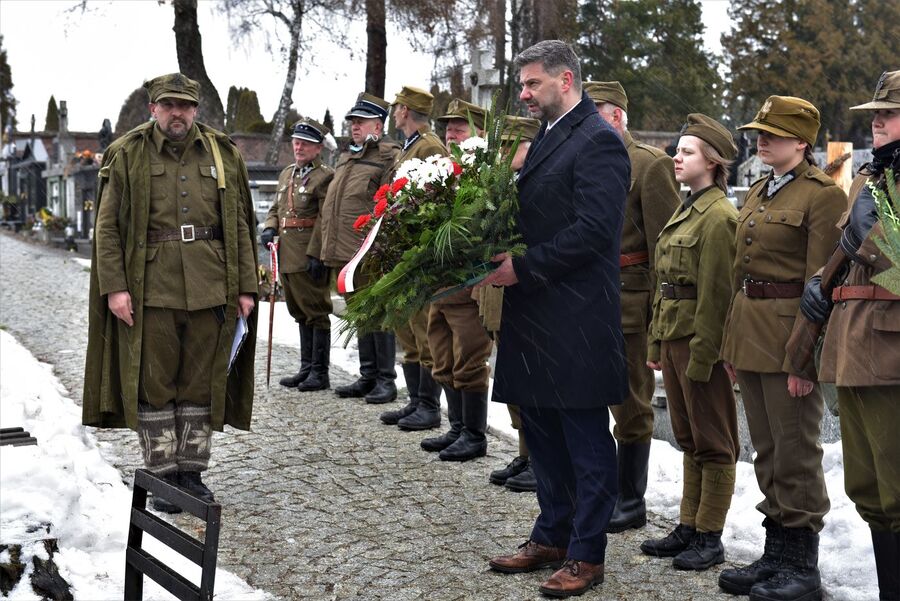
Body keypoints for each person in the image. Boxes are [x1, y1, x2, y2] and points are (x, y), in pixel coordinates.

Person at [483, 40, 630, 597]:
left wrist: (524, 267)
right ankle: (551, 534)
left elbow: (595, 231)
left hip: (576, 318)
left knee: (586, 442)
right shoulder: (547, 135)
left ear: (565, 80)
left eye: (531, 84)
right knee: (541, 435)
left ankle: (586, 554)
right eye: (523, 85)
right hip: (537, 314)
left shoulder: (598, 140)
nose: (523, 94)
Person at [83, 73, 258, 513]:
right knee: (155, 382)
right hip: (151, 287)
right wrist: (115, 288)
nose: (177, 113)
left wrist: (245, 287)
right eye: (168, 105)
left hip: (210, 284)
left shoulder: (222, 152)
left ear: (196, 110)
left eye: (184, 106)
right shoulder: (127, 153)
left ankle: (192, 475)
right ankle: (163, 476)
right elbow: (106, 228)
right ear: (153, 109)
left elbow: (237, 221)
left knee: (199, 381)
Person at [718, 96, 846, 600]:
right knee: (767, 452)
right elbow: (740, 274)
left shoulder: (822, 196)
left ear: (802, 142)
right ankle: (776, 556)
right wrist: (732, 340)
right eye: (758, 132)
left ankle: (802, 568)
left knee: (795, 453)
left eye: (772, 133)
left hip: (790, 340)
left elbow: (822, 289)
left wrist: (804, 360)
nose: (760, 139)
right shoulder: (761, 190)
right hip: (751, 335)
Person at [799, 70, 900, 601]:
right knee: (869, 490)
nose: (876, 121)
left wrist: (872, 239)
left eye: (887, 113)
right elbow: (844, 256)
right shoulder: (870, 177)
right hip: (856, 346)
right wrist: (820, 286)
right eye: (875, 114)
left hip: (893, 353)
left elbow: (899, 272)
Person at [640, 114, 740, 571]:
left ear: (713, 161)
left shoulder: (719, 215)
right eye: (678, 150)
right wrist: (658, 343)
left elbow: (716, 294)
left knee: (714, 441)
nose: (676, 157)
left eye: (688, 152)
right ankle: (689, 525)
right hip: (676, 336)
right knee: (688, 437)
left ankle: (710, 534)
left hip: (701, 343)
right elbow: (666, 284)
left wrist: (704, 355)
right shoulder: (688, 207)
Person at [584, 80, 682, 533]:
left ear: (616, 115)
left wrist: (660, 312)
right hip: (588, 296)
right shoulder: (583, 157)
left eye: (595, 110)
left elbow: (668, 244)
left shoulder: (648, 165)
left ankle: (631, 499)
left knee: (631, 401)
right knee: (590, 396)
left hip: (630, 299)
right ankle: (600, 490)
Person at [312, 93, 400, 405]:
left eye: (360, 122)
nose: (354, 127)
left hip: (370, 253)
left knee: (378, 314)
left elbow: (391, 204)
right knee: (360, 315)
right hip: (345, 252)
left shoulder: (388, 156)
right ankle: (367, 376)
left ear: (378, 124)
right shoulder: (347, 157)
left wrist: (381, 249)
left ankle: (385, 380)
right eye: (352, 122)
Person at [418, 98, 494, 461]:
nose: (451, 134)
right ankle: (458, 427)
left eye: (459, 128)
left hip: (468, 286)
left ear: (478, 132)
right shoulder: (441, 171)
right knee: (443, 358)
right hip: (441, 286)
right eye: (447, 128)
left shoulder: (486, 175)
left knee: (469, 360)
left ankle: (475, 435)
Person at [386, 86, 447, 431]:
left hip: (419, 253)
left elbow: (436, 201)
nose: (394, 113)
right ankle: (415, 400)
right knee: (408, 330)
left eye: (397, 108)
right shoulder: (410, 147)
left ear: (406, 110)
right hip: (403, 250)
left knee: (425, 332)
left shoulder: (430, 147)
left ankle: (429, 405)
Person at [487, 115, 541, 492]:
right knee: (515, 382)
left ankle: (539, 459)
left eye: (513, 146)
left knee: (532, 383)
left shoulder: (535, 186)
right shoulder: (504, 185)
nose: (505, 154)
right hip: (500, 292)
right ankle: (526, 453)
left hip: (529, 291)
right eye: (502, 146)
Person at [260, 118, 334, 391]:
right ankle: (306, 367)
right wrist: (269, 228)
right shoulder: (287, 173)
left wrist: (316, 253)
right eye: (296, 142)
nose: (299, 147)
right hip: (288, 254)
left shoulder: (325, 176)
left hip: (308, 252)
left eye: (306, 144)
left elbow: (325, 218)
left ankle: (320, 372)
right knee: (299, 311)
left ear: (318, 148)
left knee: (316, 311)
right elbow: (275, 209)